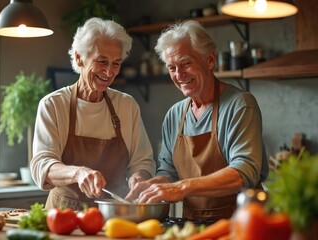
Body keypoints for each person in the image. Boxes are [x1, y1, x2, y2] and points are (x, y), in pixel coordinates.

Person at [126, 20, 269, 221]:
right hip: (193, 225)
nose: (179, 75)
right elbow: (170, 172)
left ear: (210, 60)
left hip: (241, 223)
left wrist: (181, 187)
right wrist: (151, 184)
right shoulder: (174, 115)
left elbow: (243, 172)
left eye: (185, 63)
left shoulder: (240, 105)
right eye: (172, 67)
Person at [30, 17, 155, 210]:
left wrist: (138, 178)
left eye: (116, 63)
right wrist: (78, 173)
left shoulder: (126, 106)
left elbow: (142, 161)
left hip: (113, 214)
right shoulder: (53, 105)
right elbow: (42, 165)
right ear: (79, 58)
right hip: (62, 214)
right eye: (102, 61)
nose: (109, 72)